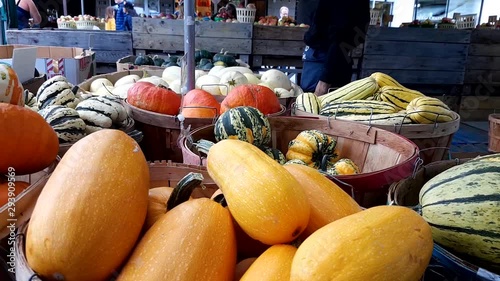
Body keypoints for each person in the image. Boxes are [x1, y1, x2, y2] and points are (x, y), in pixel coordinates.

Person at [301, 0, 370, 96]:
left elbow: (341, 34)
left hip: (329, 61)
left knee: (320, 102)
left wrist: (325, 79)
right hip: (325, 58)